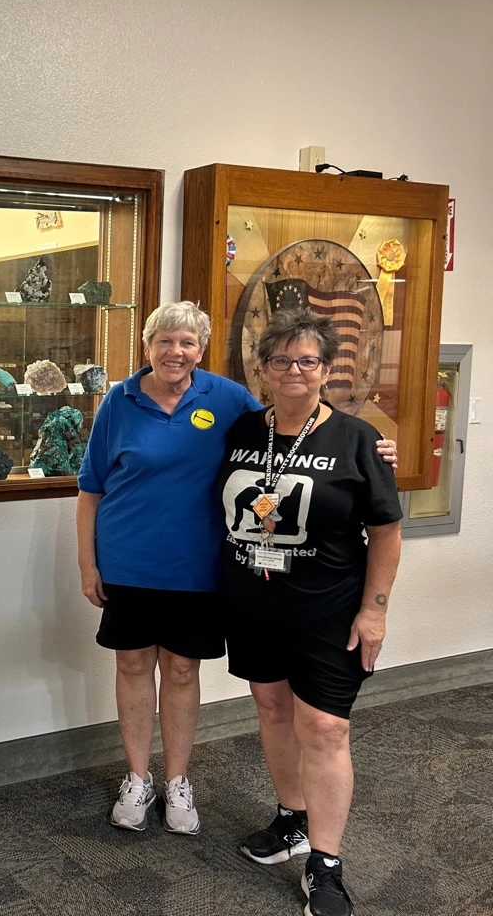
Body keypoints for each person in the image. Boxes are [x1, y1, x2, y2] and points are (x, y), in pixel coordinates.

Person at [77, 302, 395, 838]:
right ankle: (137, 777)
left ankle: (178, 781)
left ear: (200, 350)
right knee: (133, 668)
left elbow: (298, 422)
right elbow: (91, 489)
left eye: (188, 343)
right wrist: (88, 563)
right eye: (165, 341)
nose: (176, 352)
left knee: (181, 672)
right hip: (129, 562)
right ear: (146, 344)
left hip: (201, 567)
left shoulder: (226, 398)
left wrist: (370, 447)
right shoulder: (119, 399)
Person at [217, 310, 401, 916]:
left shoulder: (357, 439)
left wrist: (374, 612)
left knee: (324, 727)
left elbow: (387, 533)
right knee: (272, 709)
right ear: (263, 370)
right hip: (253, 604)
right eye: (281, 360)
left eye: (308, 360)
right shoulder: (243, 429)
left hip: (327, 611)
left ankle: (325, 861)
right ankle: (292, 818)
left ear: (326, 370)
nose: (294, 370)